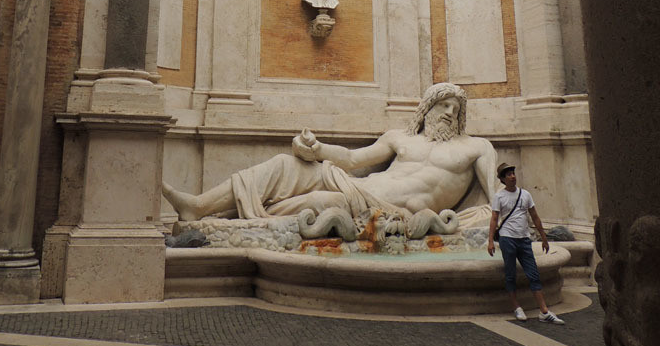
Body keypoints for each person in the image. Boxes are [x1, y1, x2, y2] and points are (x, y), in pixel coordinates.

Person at [163, 82, 497, 236]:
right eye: (443, 106)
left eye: (456, 109)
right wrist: (317, 149)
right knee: (284, 163)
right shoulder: (400, 138)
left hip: (388, 212)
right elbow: (352, 159)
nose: (450, 113)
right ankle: (199, 206)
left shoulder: (476, 148)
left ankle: (234, 217)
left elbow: (496, 196)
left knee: (318, 200)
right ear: (426, 109)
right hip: (358, 186)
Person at [487, 162, 565, 324]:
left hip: (524, 239)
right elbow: (494, 219)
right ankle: (517, 307)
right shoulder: (499, 197)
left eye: (513, 173)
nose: (512, 176)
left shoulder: (526, 194)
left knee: (533, 274)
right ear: (502, 179)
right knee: (510, 274)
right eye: (508, 174)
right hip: (507, 238)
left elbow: (535, 216)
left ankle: (544, 311)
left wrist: (543, 237)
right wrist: (490, 242)